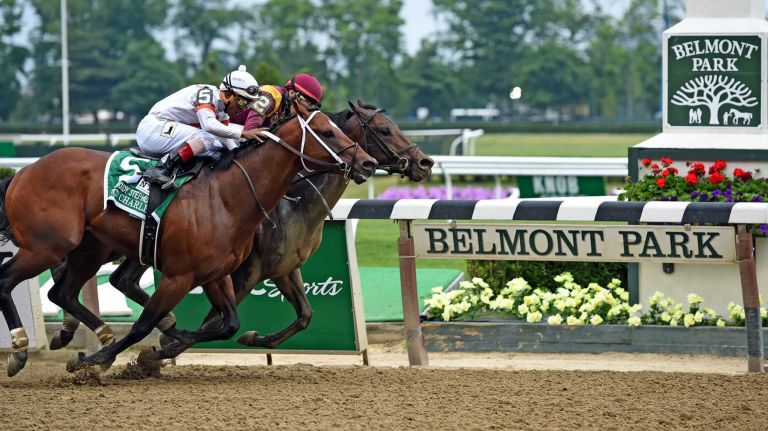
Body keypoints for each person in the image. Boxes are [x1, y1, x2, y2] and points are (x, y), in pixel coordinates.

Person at [137, 65, 265, 189]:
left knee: (218, 150)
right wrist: (243, 133)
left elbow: (225, 139)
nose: (243, 109)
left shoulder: (222, 112)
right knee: (207, 138)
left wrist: (239, 158)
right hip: (152, 129)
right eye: (243, 102)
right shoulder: (208, 94)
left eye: (248, 104)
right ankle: (161, 169)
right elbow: (209, 126)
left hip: (164, 132)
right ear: (227, 94)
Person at [230, 73, 324, 132]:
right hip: (224, 125)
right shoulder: (270, 97)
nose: (308, 108)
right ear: (292, 93)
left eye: (312, 105)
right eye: (307, 101)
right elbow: (249, 131)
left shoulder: (287, 111)